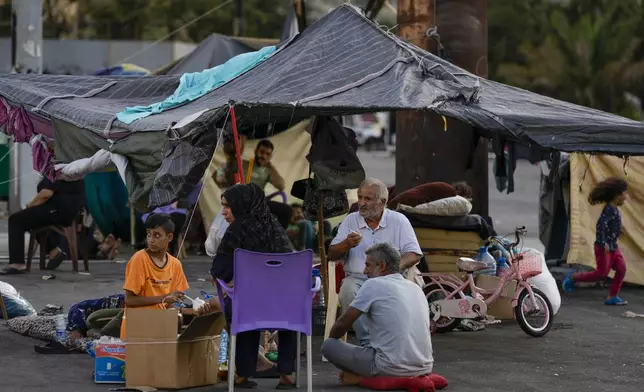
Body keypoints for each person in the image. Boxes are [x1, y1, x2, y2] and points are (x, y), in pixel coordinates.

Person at [207, 183, 297, 389]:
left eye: (228, 206)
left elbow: (220, 272)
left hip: (249, 308)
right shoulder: (276, 227)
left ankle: (243, 373)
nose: (223, 212)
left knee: (240, 303)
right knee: (283, 307)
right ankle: (286, 373)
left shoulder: (236, 231)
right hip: (286, 309)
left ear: (242, 205)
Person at [328, 178, 422, 344]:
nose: (361, 203)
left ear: (383, 202)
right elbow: (332, 254)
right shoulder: (351, 220)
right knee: (348, 290)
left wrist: (391, 269)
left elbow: (414, 254)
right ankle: (369, 343)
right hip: (357, 279)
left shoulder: (398, 221)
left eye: (368, 199)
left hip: (391, 279)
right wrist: (346, 244)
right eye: (360, 197)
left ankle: (388, 342)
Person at [321, 243, 433, 383]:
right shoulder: (415, 288)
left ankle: (361, 377)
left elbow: (343, 324)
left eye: (368, 265)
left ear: (382, 266)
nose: (364, 271)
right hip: (425, 367)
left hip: (389, 367)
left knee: (328, 346)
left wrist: (333, 340)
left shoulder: (373, 284)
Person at [120, 214, 190, 340]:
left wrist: (195, 309)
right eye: (148, 234)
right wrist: (163, 298)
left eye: (157, 235)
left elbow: (171, 305)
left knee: (178, 317)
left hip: (160, 328)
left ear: (169, 237)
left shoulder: (175, 265)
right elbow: (129, 300)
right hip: (138, 329)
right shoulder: (139, 259)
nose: (151, 240)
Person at [563, 177, 629, 305]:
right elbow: (601, 225)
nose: (626, 196)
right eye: (625, 193)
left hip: (613, 246)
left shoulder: (614, 209)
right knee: (601, 274)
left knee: (621, 269)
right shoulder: (609, 209)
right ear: (617, 195)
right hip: (604, 248)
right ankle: (573, 277)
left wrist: (618, 232)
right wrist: (602, 242)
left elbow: (610, 226)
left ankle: (612, 296)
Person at [1, 175, 85, 275]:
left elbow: (46, 194)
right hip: (70, 211)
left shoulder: (56, 169)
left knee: (16, 220)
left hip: (57, 210)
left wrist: (30, 206)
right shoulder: (74, 168)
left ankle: (17, 264)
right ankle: (54, 249)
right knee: (31, 219)